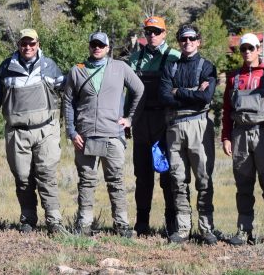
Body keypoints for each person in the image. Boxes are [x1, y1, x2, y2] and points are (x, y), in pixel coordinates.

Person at [63, 31, 144, 238]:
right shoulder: (77, 70)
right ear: (89, 46)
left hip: (113, 135)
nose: (97, 48)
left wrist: (130, 119)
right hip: (85, 135)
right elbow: (68, 102)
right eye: (94, 44)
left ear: (108, 48)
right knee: (86, 181)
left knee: (116, 181)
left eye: (101, 45)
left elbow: (139, 89)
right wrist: (71, 131)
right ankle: (84, 223)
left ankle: (121, 224)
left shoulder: (120, 68)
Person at [0, 28, 66, 234]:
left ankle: (54, 220)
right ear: (18, 44)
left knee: (47, 175)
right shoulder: (6, 67)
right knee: (22, 177)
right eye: (24, 43)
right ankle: (28, 218)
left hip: (46, 130)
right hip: (17, 133)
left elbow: (66, 92)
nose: (28, 47)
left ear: (38, 44)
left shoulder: (50, 66)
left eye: (31, 43)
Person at [221, 33, 264, 245]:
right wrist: (226, 137)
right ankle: (244, 231)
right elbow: (227, 110)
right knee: (243, 185)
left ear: (258, 49)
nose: (247, 52)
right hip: (240, 135)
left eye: (251, 48)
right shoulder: (233, 77)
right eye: (243, 49)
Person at [159, 23, 218, 245]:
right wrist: (193, 93)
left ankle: (206, 228)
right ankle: (183, 228)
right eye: (183, 39)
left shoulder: (207, 67)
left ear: (198, 41)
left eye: (192, 38)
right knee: (178, 179)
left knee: (203, 178)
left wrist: (179, 91)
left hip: (199, 126)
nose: (187, 42)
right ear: (179, 42)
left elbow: (206, 98)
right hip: (174, 127)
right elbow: (165, 97)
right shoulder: (170, 67)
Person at [125, 15, 179, 236]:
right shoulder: (134, 59)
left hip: (164, 122)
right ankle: (142, 223)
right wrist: (127, 119)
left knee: (168, 175)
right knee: (142, 176)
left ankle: (172, 223)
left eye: (157, 32)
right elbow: (129, 94)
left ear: (164, 33)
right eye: (148, 32)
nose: (152, 35)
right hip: (140, 123)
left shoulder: (175, 57)